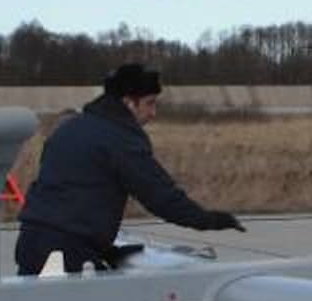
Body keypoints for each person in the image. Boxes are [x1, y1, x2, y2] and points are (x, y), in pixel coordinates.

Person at [14, 63, 245, 276]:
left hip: (30, 241)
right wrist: (210, 220)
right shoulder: (120, 139)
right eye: (149, 103)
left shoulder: (69, 128)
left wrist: (103, 249)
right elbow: (161, 197)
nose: (153, 113)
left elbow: (67, 194)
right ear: (128, 102)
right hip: (68, 254)